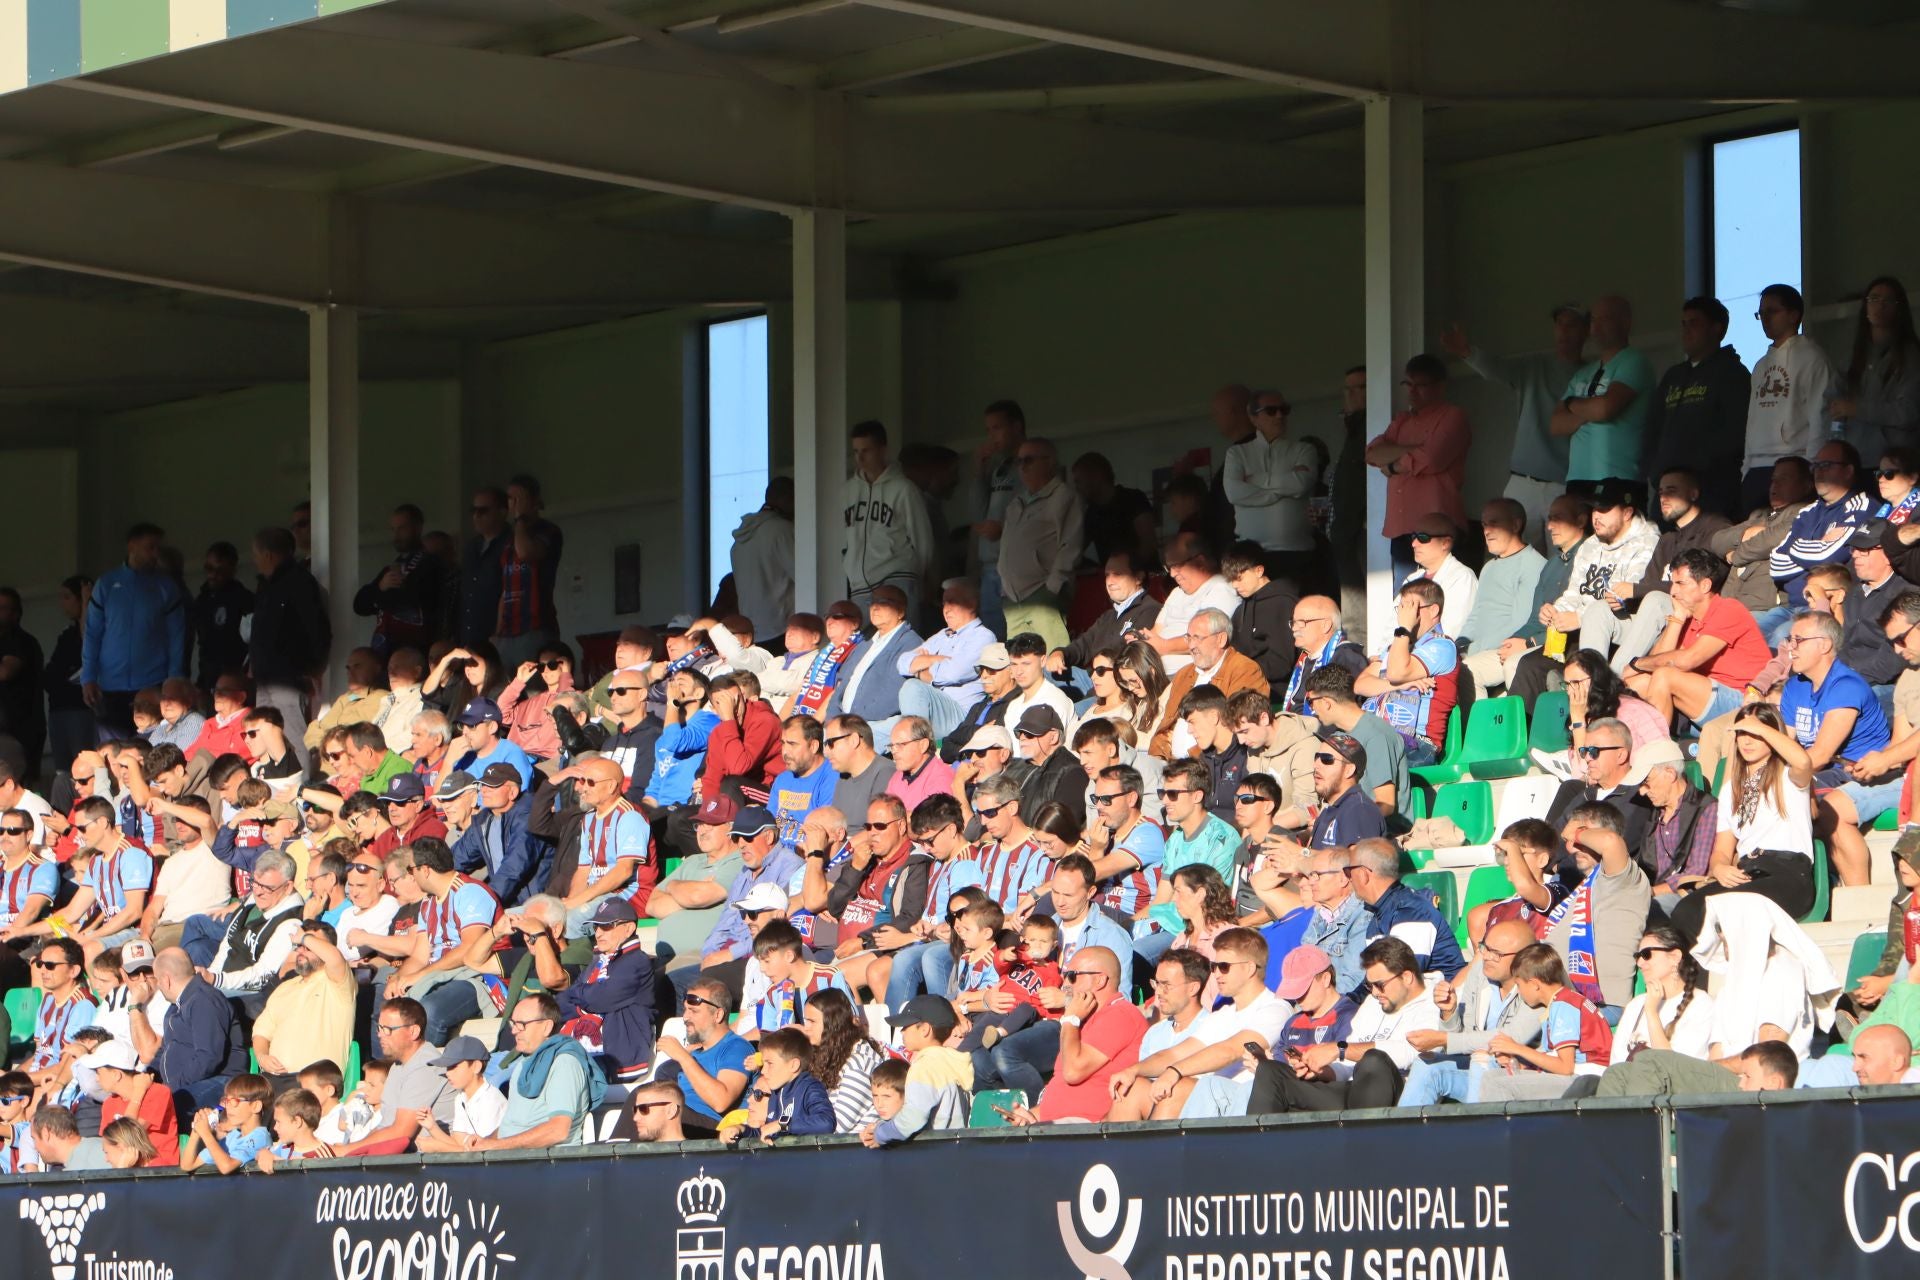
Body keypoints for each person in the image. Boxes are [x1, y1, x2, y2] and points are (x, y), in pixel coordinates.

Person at [1107, 927, 1283, 1120]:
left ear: (1249, 968)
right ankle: (1116, 1151)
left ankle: (1157, 1149)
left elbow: (1231, 1050)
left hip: (1240, 1102)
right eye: (1214, 966)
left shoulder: (1275, 1008)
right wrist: (1132, 1070)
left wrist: (1175, 1071)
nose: (1216, 974)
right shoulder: (1222, 1015)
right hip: (1206, 1099)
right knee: (1133, 1087)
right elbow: (1177, 1053)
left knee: (1178, 1086)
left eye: (1223, 966)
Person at [1246, 937, 1439, 1114]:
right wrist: (1323, 1071)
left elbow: (1409, 1054)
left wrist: (1340, 1049)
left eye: (1379, 984)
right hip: (1353, 1093)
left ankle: (1363, 1148)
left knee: (1374, 1062)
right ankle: (1254, 1148)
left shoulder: (1436, 1002)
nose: (1374, 993)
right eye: (1369, 986)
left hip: (1399, 1099)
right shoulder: (1374, 1003)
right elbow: (1346, 1066)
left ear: (1406, 977)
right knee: (1271, 1072)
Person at [1443, 306, 1586, 542]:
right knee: (1516, 559)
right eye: (1559, 323)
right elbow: (1498, 369)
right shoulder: (1534, 366)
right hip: (1523, 482)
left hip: (1564, 487)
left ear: (1586, 330)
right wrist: (1466, 351)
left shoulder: (1592, 374)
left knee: (1562, 565)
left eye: (1571, 324)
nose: (1563, 330)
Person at [1395, 919, 1545, 1107]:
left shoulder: (1540, 982)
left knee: (1482, 1059)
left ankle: (1478, 1132)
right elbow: (1465, 1038)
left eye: (1496, 953)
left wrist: (1444, 1039)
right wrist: (1449, 1013)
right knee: (1426, 1063)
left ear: (1525, 957)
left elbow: (1510, 1038)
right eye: (1485, 947)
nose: (1486, 956)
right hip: (1479, 1068)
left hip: (1524, 1074)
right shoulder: (1480, 972)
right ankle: (1407, 1133)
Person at [1625, 549, 1771, 728]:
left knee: (1664, 675)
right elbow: (1657, 661)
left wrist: (1636, 664)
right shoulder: (1689, 618)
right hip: (1703, 703)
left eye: (1681, 583)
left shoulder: (1728, 609)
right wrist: (1677, 620)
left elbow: (1687, 660)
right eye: (1673, 583)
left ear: (1705, 586)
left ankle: (1658, 748)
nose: (1673, 592)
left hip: (1745, 702)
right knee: (1636, 683)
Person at [1366, 353, 1472, 584]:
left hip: (1438, 528)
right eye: (1408, 385)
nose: (1412, 392)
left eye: (1421, 386)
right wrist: (1415, 449)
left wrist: (1394, 465)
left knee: (1441, 598)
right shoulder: (1402, 420)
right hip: (1402, 527)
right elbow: (1372, 453)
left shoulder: (1453, 416)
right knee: (1406, 600)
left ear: (1440, 386)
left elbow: (1433, 458)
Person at [1644, 297, 1753, 518]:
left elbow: (1736, 432)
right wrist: (1656, 474)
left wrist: (1696, 470)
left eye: (1694, 323)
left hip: (1711, 493)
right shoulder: (1673, 376)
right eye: (1683, 324)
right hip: (1665, 492)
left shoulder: (1733, 373)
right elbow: (1652, 429)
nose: (1686, 330)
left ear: (1717, 329)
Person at [1472, 943, 1615, 1102]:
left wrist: (1518, 1048)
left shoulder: (1564, 1006)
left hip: (1585, 1080)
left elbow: (1565, 1067)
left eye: (1519, 985)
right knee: (1491, 1077)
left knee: (1499, 1085)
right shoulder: (1561, 1002)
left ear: (1534, 984)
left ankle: (1509, 1127)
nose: (1519, 992)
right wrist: (1521, 1064)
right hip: (1575, 1075)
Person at [83, 524, 188, 735]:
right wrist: (88, 677)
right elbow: (92, 633)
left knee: (152, 752)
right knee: (113, 752)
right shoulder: (106, 584)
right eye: (150, 547)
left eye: (158, 548)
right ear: (132, 546)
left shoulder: (165, 587)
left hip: (153, 683)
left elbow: (177, 636)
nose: (155, 554)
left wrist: (175, 677)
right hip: (111, 686)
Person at [1743, 283, 1838, 513]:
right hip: (1756, 466)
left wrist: (1813, 466)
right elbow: (1752, 420)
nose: (1765, 318)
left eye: (1772, 311)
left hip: (1792, 460)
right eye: (1761, 313)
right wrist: (1745, 468)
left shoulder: (1812, 357)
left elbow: (1820, 414)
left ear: (1794, 315)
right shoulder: (1760, 365)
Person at [1550, 294, 1654, 486]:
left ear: (1626, 323)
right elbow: (1556, 425)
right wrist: (1590, 411)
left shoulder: (1634, 361)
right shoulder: (1582, 373)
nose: (1596, 328)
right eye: (1593, 320)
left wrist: (1570, 403)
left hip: (1617, 480)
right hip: (1577, 479)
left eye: (1605, 319)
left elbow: (1605, 409)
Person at [247, 526, 330, 767]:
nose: (254, 561)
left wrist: (314, 667)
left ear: (268, 555)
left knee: (293, 735)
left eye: (256, 554)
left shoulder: (299, 582)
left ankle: (303, 788)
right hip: (265, 675)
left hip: (289, 675)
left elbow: (317, 628)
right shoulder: (266, 586)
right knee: (264, 735)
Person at [1355, 579, 1458, 766]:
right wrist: (1402, 685)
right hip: (1382, 736)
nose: (1405, 615)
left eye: (1411, 608)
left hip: (1418, 744)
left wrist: (1403, 629)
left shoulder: (1443, 646)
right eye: (1402, 609)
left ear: (1433, 610)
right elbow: (1361, 684)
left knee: (1362, 759)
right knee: (1334, 748)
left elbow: (1396, 673)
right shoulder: (1400, 647)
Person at [1223, 388, 1319, 585]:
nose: (1280, 416)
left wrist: (1256, 481)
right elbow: (1233, 493)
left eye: (1284, 410)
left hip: (1298, 553)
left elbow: (1301, 484)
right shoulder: (1237, 453)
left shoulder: (1304, 449)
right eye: (1271, 411)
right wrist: (1280, 491)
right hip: (1250, 556)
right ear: (1253, 418)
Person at [997, 437, 1086, 652]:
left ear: (1049, 462)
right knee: (1019, 664)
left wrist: (1052, 587)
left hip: (1042, 593)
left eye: (1029, 460)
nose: (1022, 467)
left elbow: (1070, 544)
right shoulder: (1016, 503)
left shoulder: (1063, 496)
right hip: (1012, 597)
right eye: (1019, 461)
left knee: (1052, 660)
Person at [1149, 608, 1270, 760]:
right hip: (1171, 764)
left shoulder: (1244, 669)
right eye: (1189, 638)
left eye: (1197, 638)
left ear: (1221, 639)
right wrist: (1158, 757)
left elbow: (1234, 728)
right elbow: (1166, 726)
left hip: (1211, 764)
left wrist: (1192, 759)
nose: (1191, 646)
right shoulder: (1184, 675)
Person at [845, 420, 935, 619]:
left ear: (882, 449)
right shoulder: (848, 491)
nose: (860, 457)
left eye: (866, 450)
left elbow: (922, 540)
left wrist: (917, 577)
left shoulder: (904, 488)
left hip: (896, 579)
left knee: (901, 646)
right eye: (856, 451)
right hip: (859, 586)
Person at [249, 921, 355, 1083]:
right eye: (300, 945)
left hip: (316, 1084)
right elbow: (261, 1032)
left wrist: (304, 937)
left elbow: (335, 958)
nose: (301, 950)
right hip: (273, 1079)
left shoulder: (338, 982)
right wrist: (262, 1057)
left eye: (310, 945)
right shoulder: (285, 988)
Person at [1346, 837, 1466, 979]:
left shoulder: (1411, 912)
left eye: (1348, 871)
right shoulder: (1380, 913)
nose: (1349, 879)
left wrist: (1352, 1000)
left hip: (1440, 997)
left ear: (1364, 874)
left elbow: (1400, 978)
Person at [1458, 499, 1546, 694]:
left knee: (1467, 671)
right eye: (1484, 524)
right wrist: (1459, 645)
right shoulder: (1489, 567)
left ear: (1516, 525)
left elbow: (1521, 622)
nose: (1486, 531)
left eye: (1494, 523)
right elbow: (1476, 614)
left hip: (1507, 650)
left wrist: (1473, 650)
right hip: (1478, 651)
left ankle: (1481, 726)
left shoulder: (1533, 565)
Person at [861, 995, 973, 1146]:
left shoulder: (924, 1066)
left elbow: (912, 1119)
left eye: (906, 1026)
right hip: (954, 1152)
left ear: (925, 1030)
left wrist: (880, 1134)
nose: (902, 1032)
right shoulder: (951, 1061)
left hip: (932, 1156)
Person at [1715, 457, 1815, 616]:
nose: (1775, 485)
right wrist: (1743, 535)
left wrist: (1735, 555)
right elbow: (1718, 540)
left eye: (1784, 479)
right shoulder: (1761, 514)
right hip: (1731, 603)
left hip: (1764, 608)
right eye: (1773, 479)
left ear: (1807, 486)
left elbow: (1768, 541)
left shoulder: (1807, 512)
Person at [899, 580, 997, 739]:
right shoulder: (942, 635)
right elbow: (902, 662)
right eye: (944, 603)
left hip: (959, 715)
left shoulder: (982, 636)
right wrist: (937, 659)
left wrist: (919, 670)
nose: (946, 609)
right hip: (928, 710)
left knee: (913, 687)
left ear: (971, 605)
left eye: (953, 602)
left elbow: (953, 673)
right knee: (869, 730)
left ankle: (918, 755)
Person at [1610, 923, 1716, 1062]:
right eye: (1638, 956)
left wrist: (1652, 1013)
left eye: (1647, 954)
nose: (1640, 963)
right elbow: (1616, 1063)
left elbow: (1674, 1070)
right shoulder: (1636, 1004)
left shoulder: (1701, 1004)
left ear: (1675, 957)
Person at [825, 584, 922, 730]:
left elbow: (893, 694)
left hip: (872, 729)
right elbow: (841, 685)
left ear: (900, 611)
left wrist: (854, 726)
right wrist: (831, 721)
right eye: (872, 602)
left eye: (883, 602)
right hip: (842, 727)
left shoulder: (910, 644)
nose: (875, 607)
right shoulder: (864, 644)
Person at [1147, 533, 1241, 675]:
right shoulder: (1176, 593)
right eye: (1168, 567)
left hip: (1191, 675)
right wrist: (1143, 640)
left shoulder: (1220, 588)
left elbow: (1207, 637)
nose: (1172, 574)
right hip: (1155, 673)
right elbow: (1157, 630)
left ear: (1200, 561)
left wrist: (1164, 646)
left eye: (1176, 566)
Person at [731, 1026, 834, 1143]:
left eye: (770, 1063)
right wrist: (741, 1130)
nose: (763, 1071)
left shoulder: (810, 1087)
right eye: (763, 1064)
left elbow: (826, 1122)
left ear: (793, 1065)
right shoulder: (777, 1093)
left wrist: (784, 1125)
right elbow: (767, 1130)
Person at [1218, 542, 1298, 687]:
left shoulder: (1281, 603)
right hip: (1243, 682)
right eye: (1231, 580)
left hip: (1274, 689)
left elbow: (1281, 662)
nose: (1235, 585)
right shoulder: (1240, 610)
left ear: (1259, 571)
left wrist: (1241, 670)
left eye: (1239, 578)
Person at [730, 476, 795, 643]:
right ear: (787, 498)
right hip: (781, 629)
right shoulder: (781, 530)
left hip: (751, 632)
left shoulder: (740, 540)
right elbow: (805, 578)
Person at [1070, 450, 1157, 569]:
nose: (1077, 488)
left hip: (1147, 577)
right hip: (1116, 581)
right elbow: (1074, 553)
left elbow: (1148, 543)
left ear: (1096, 476)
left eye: (1079, 481)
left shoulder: (1133, 498)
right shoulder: (1091, 514)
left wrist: (1126, 571)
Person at [1402, 513, 1478, 637]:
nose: (1414, 544)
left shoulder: (1462, 578)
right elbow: (1393, 624)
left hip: (1434, 653)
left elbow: (1452, 633)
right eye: (1413, 536)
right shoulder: (1412, 579)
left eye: (1423, 537)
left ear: (1445, 543)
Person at [183, 1072, 273, 1173]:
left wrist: (206, 1133)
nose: (228, 1107)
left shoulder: (260, 1137)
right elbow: (187, 1165)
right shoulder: (232, 1136)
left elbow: (226, 1167)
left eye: (235, 1101)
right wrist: (197, 1130)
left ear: (256, 1106)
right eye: (227, 1101)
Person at [28, 1105, 110, 1171]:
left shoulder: (105, 1153)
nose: (35, 1147)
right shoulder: (103, 1147)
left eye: (34, 1138)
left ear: (46, 1134)